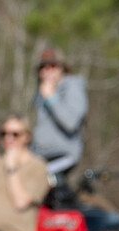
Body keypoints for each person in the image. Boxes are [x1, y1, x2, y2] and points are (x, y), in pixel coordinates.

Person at [30, 48, 89, 181]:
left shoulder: (73, 87)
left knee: (36, 178)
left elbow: (71, 123)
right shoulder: (40, 93)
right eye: (43, 67)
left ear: (61, 67)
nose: (47, 70)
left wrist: (51, 98)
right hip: (40, 154)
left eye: (52, 66)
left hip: (64, 155)